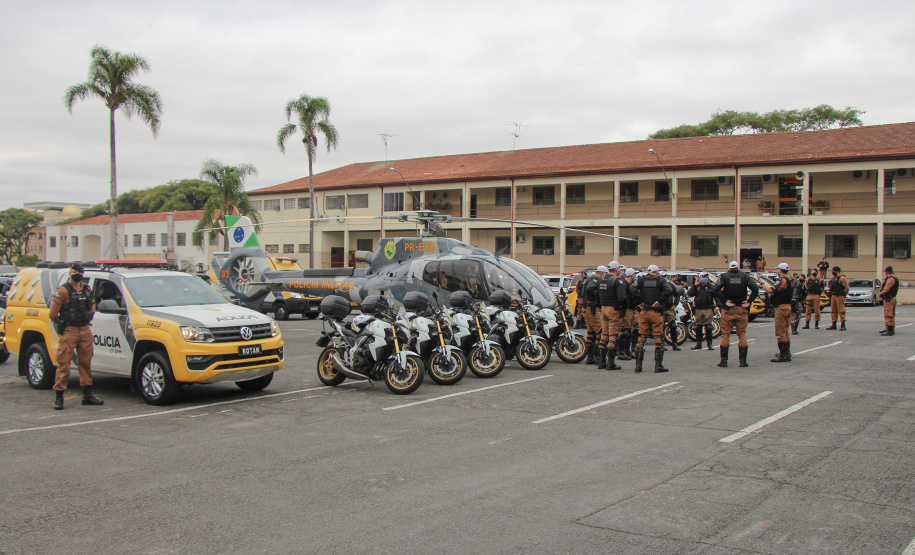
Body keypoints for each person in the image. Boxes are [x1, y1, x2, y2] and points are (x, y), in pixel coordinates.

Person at [49, 263, 104, 410]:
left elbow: (92, 308)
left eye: (79, 271)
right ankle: (59, 397)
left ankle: (87, 395)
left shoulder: (87, 289)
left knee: (85, 362)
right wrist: (63, 325)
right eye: (75, 271)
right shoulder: (63, 291)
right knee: (64, 363)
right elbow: (53, 314)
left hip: (85, 329)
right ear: (70, 273)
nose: (77, 274)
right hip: (70, 330)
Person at [714, 260, 759, 368]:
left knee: (725, 334)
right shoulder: (744, 276)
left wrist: (724, 301)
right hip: (741, 308)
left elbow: (716, 289)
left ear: (729, 268)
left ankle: (724, 361)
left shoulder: (724, 277)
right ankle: (743, 361)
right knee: (742, 333)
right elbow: (755, 288)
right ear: (739, 268)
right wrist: (749, 301)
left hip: (729, 308)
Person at [632, 264, 675, 373]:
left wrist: (640, 302)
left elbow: (633, 290)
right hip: (656, 312)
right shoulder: (660, 280)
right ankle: (658, 366)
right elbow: (669, 290)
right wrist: (660, 301)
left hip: (644, 311)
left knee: (641, 337)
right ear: (656, 272)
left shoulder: (641, 280)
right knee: (658, 337)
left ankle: (638, 366)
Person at [760, 263, 794, 362]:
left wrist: (762, 283)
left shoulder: (784, 280)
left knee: (780, 332)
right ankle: (786, 352)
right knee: (785, 331)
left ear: (780, 270)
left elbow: (771, 290)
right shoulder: (791, 280)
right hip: (788, 306)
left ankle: (783, 355)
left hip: (782, 307)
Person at [597, 262, 627, 369]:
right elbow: (622, 297)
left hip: (603, 308)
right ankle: (610, 363)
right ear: (617, 269)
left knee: (604, 334)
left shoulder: (602, 279)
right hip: (613, 309)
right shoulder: (616, 280)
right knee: (613, 336)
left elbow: (597, 293)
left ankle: (601, 361)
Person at [687, 271, 716, 351]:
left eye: (706, 276)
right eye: (703, 277)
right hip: (699, 309)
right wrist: (694, 285)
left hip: (708, 308)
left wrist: (718, 306)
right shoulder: (697, 287)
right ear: (700, 278)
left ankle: (709, 343)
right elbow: (689, 294)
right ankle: (698, 343)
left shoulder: (710, 287)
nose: (705, 278)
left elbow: (717, 296)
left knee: (708, 326)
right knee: (698, 327)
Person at [582, 266, 605, 364]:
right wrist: (598, 296)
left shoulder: (589, 279)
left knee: (591, 333)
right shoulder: (594, 280)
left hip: (587, 307)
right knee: (599, 331)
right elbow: (590, 288)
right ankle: (597, 356)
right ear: (602, 273)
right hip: (592, 307)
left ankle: (590, 357)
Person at [617, 267, 638, 361]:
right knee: (624, 331)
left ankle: (627, 351)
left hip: (631, 309)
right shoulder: (624, 285)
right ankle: (621, 352)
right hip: (627, 310)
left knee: (629, 331)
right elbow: (623, 298)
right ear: (632, 275)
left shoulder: (630, 285)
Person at [660, 271, 682, 351]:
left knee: (673, 326)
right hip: (660, 309)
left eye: (665, 276)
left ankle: (675, 344)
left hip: (669, 309)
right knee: (660, 327)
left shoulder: (671, 285)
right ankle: (661, 344)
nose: (664, 277)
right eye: (662, 276)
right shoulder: (658, 285)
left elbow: (677, 295)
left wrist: (675, 304)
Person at [826, 266, 849, 330]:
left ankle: (843, 324)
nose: (832, 272)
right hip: (834, 295)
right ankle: (834, 324)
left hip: (840, 295)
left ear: (838, 271)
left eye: (833, 271)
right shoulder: (834, 278)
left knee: (841, 310)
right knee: (833, 310)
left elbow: (847, 287)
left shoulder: (842, 278)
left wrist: (844, 294)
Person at [879, 266, 900, 336]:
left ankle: (890, 329)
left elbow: (886, 288)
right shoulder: (894, 278)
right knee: (889, 313)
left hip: (889, 298)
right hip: (890, 298)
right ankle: (888, 328)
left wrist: (881, 293)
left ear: (887, 272)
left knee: (889, 313)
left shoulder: (891, 279)